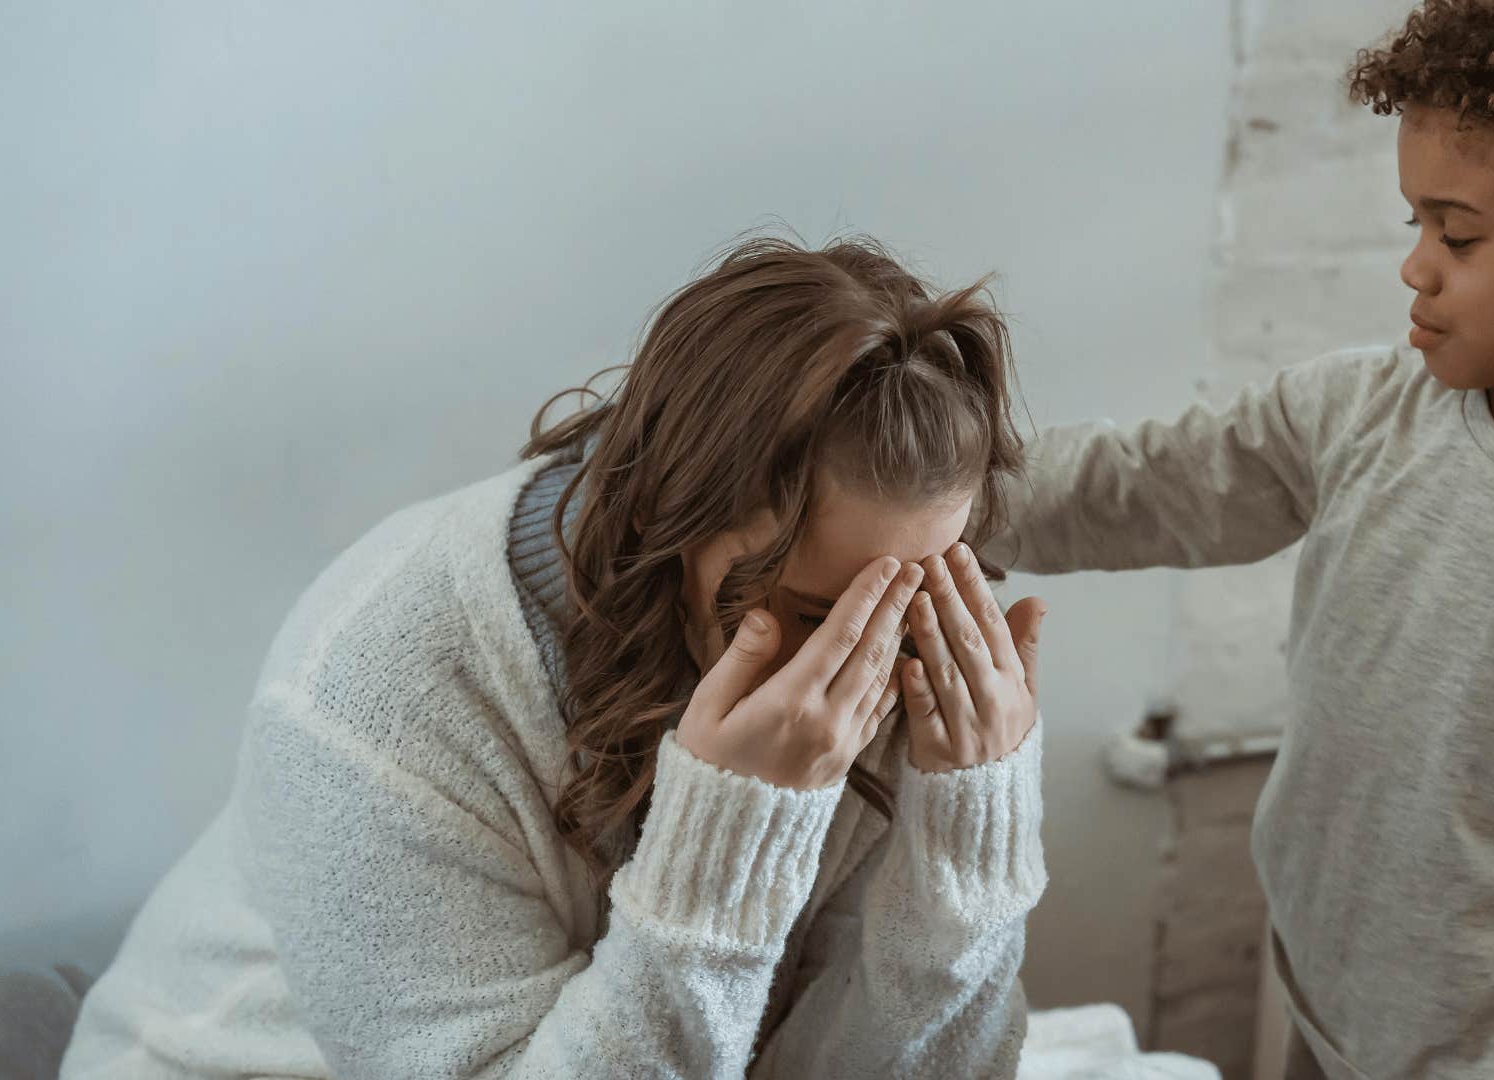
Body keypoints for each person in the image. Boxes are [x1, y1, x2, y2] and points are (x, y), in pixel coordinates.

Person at [981, 1, 1494, 1076]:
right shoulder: (1367, 412)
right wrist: (942, 499)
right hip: (1321, 996)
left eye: (1457, 235)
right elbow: (1149, 482)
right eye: (1414, 226)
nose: (1417, 267)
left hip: (1493, 1057)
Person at [62, 236, 1050, 1078]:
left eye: (911, 603)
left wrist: (962, 855)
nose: (864, 664)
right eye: (811, 612)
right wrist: (726, 848)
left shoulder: (900, 660)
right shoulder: (371, 687)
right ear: (671, 518)